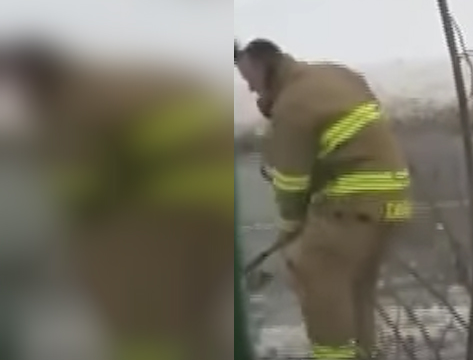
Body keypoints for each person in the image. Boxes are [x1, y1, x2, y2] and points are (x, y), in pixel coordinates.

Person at [0, 40, 233, 360]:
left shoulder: (72, 100)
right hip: (215, 202)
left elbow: (83, 185)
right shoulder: (119, 80)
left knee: (139, 311)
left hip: (169, 206)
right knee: (193, 309)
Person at [235, 39, 413, 360]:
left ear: (262, 67)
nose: (251, 91)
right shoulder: (333, 75)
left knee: (317, 279)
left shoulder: (293, 105)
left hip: (353, 201)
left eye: (250, 83)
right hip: (392, 200)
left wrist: (291, 228)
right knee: (355, 290)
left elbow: (291, 183)